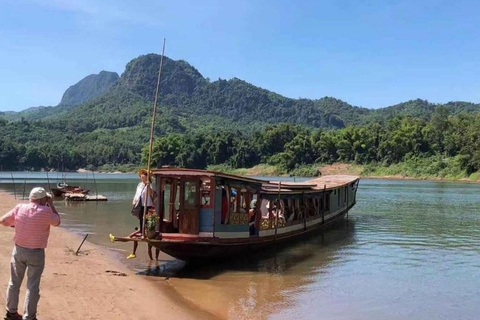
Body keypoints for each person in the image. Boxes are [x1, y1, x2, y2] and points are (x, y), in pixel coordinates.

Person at [0, 187, 60, 320]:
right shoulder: (46, 211)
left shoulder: (20, 207)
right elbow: (57, 222)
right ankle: (29, 316)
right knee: (32, 286)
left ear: (31, 198)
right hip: (36, 252)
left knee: (14, 282)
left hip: (19, 250)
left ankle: (11, 313)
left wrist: (17, 225)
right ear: (43, 199)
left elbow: (3, 221)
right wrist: (51, 204)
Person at [127, 169, 155, 259]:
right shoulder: (139, 185)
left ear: (147, 176)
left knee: (145, 219)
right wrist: (134, 200)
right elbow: (137, 194)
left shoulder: (150, 185)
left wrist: (148, 186)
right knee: (140, 218)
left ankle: (144, 233)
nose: (142, 176)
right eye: (142, 174)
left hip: (148, 204)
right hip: (140, 204)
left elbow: (152, 194)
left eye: (144, 174)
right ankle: (141, 232)